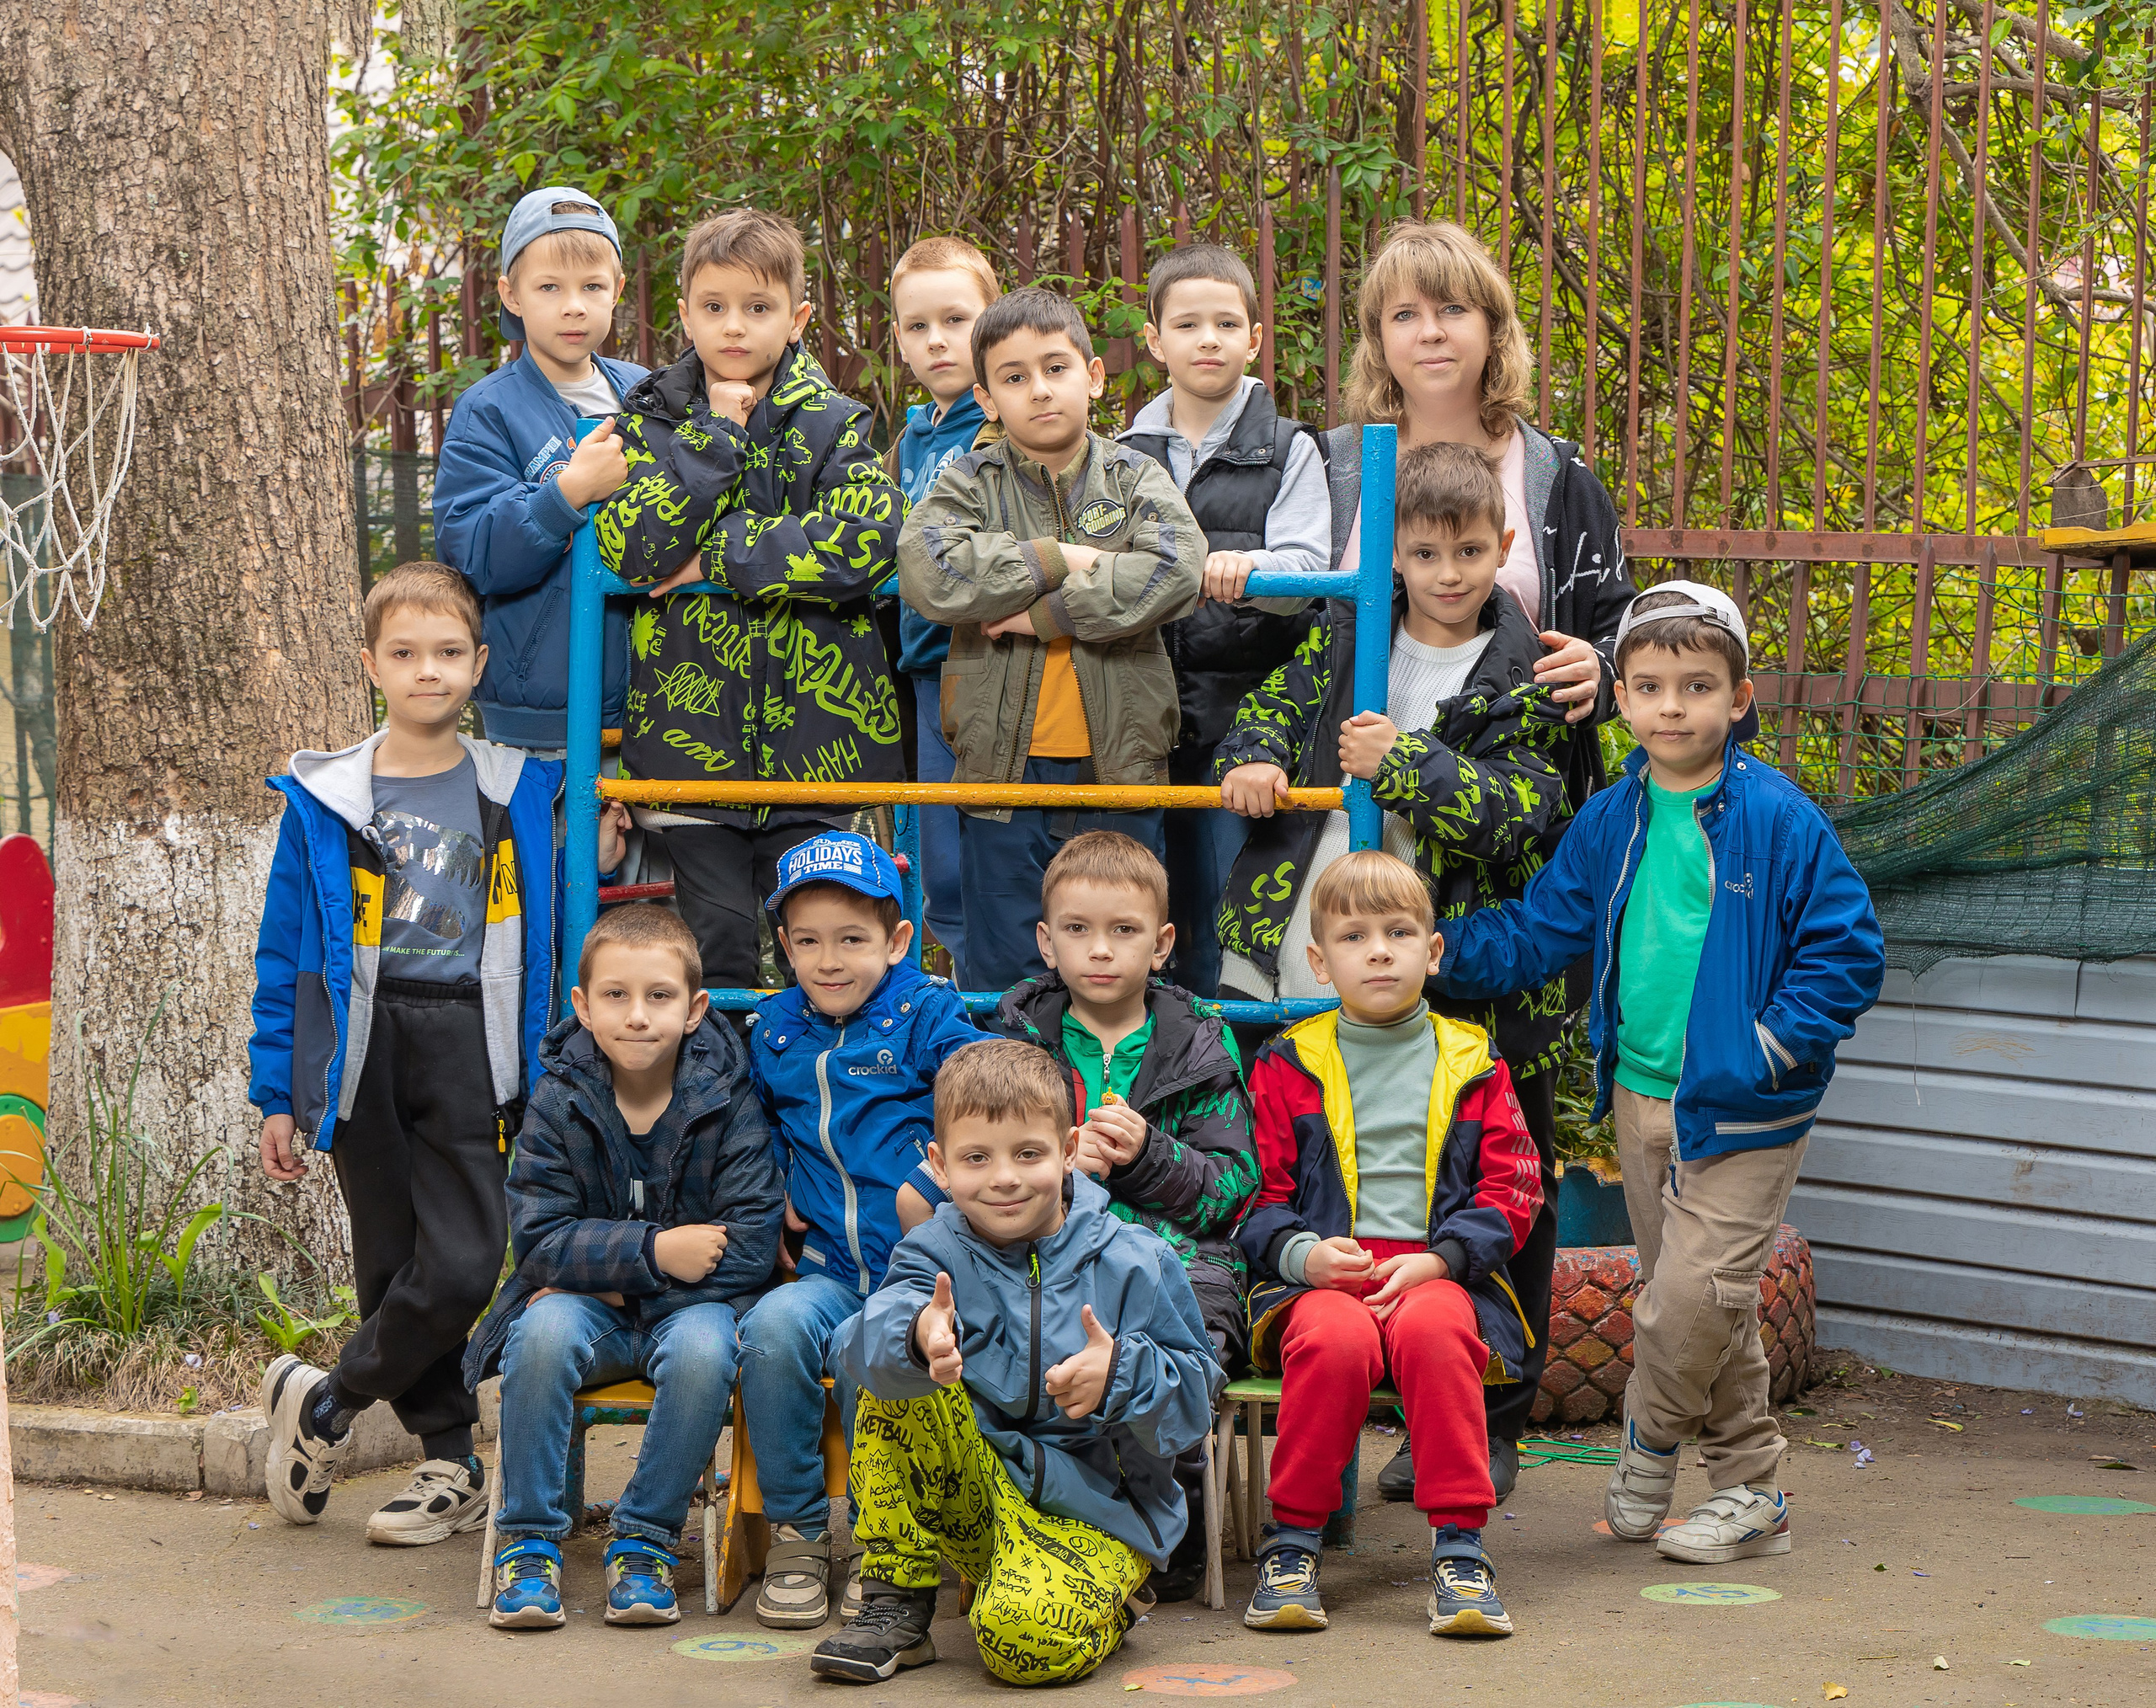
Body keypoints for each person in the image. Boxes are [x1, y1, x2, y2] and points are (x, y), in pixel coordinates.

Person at [1439, 584, 1884, 1564]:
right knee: (1714, 1304)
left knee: (1685, 1299)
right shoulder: (1610, 818)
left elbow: (1847, 952)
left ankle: (1645, 1446)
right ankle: (1750, 1492)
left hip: (1746, 1106)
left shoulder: (1778, 817)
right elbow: (1541, 930)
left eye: (1695, 686)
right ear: (1620, 699)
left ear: (1739, 697)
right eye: (1648, 687)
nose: (1671, 706)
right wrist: (1436, 951)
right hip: (1639, 1097)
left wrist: (1768, 1049)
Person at [1318, 220, 1639, 1503]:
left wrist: (1599, 665)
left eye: (1456, 308)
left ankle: (1488, 1410)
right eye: (1406, 312)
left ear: (1493, 328)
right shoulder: (1337, 465)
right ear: (1379, 338)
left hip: (1512, 842)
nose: (1433, 330)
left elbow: (1624, 628)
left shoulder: (1555, 474)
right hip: (1368, 853)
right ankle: (1370, 1396)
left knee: (1501, 1130)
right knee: (1367, 1130)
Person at [248, 562, 625, 1545]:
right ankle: (451, 1466)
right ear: (372, 664)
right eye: (406, 654)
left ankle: (328, 1401)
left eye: (449, 653)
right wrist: (278, 1091)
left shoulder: (517, 786)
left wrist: (608, 853)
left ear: (478, 664)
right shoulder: (324, 797)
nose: (429, 672)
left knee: (466, 1261)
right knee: (390, 1264)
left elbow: (565, 898)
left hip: (472, 1035)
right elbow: (287, 952)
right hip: (363, 1046)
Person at [899, 830, 1257, 1603]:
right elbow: (961, 1161)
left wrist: (1147, 1157)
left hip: (1173, 1256)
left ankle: (1170, 1502)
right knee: (991, 1327)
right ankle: (1024, 1509)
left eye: (1124, 931)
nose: (1101, 951)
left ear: (1161, 944)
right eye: (1077, 930)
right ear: (1045, 942)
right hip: (1038, 1250)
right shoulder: (1013, 1033)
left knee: (1186, 1319)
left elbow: (1235, 1187)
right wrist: (1060, 1176)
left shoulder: (1199, 1037)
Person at [814, 1039, 1224, 1686]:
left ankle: (1105, 1603)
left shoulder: (1137, 1260)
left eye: (1028, 1154)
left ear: (1068, 1152)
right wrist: (920, 1336)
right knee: (893, 1370)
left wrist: (1121, 1374)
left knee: (1022, 1646)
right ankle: (895, 1600)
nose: (1004, 1177)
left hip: (1096, 1511)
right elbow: (852, 1351)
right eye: (977, 1158)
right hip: (978, 1492)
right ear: (941, 1167)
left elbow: (1195, 1409)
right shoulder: (931, 1251)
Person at [595, 209, 907, 991]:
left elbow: (871, 535)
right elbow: (633, 549)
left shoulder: (836, 424)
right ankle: (723, 1108)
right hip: (690, 745)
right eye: (715, 306)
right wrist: (715, 438)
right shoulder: (647, 421)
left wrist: (721, 554)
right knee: (720, 950)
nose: (734, 326)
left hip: (823, 748)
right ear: (685, 314)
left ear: (798, 318)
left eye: (758, 308)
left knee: (824, 952)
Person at [1236, 851, 1542, 1639]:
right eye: (1353, 935)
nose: (1378, 949)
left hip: (1437, 1271)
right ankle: (1293, 1543)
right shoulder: (1286, 1063)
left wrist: (1441, 1259)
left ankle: (1461, 1552)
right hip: (1320, 1278)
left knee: (1441, 1331)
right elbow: (1255, 1197)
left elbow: (1513, 1190)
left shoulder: (1473, 1060)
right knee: (1334, 1343)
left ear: (1432, 952)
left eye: (1399, 932)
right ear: (1318, 960)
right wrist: (1304, 1257)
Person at [467, 904, 783, 1629]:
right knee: (542, 1331)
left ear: (696, 1009)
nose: (637, 1017)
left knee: (707, 1349)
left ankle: (643, 1542)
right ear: (582, 1005)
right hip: (596, 1313)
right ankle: (530, 1542)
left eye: (659, 997)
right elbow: (539, 1241)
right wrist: (653, 1251)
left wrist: (611, 1273)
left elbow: (750, 1243)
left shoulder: (728, 1101)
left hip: (688, 1313)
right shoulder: (559, 1100)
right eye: (615, 996)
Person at [896, 286, 1203, 994]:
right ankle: (1014, 1105)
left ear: (1092, 377)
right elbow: (927, 569)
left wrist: (1043, 616)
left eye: (1056, 369)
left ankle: (1113, 1105)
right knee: (1008, 974)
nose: (1039, 390)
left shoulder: (1134, 477)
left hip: (1119, 772)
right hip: (1003, 778)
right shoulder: (968, 482)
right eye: (1014, 377)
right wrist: (1058, 558)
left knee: (1118, 967)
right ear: (986, 396)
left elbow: (1176, 568)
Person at [738, 831, 981, 1630]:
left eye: (852, 940)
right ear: (784, 946)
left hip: (921, 1266)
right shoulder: (774, 1031)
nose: (829, 960)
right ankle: (800, 1532)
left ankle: (891, 1552)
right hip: (830, 1264)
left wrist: (938, 1176)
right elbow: (759, 1122)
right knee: (773, 1329)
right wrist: (770, 1186)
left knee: (890, 1348)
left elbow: (984, 1093)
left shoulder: (927, 1013)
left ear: (898, 941)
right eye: (807, 942)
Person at [1117, 243, 1328, 997]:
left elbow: (1308, 574)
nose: (1208, 339)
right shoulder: (1122, 454)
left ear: (1254, 338)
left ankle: (1238, 1073)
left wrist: (1255, 572)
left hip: (1248, 713)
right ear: (1155, 340)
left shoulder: (1289, 448)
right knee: (1155, 903)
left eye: (1226, 323)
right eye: (1188, 324)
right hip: (1144, 712)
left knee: (1236, 907)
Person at [434, 186, 647, 755]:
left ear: (617, 290)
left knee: (640, 848)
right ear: (512, 295)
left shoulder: (650, 394)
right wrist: (567, 493)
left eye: (592, 287)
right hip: (542, 722)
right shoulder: (490, 410)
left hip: (657, 710)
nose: (573, 305)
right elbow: (473, 555)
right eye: (549, 287)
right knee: (551, 845)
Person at [887, 235, 1003, 985]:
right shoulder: (911, 437)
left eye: (956, 320)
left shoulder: (1002, 425)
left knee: (992, 854)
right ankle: (968, 994)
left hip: (988, 667)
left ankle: (1002, 1004)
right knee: (938, 864)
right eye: (917, 326)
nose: (937, 341)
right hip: (924, 674)